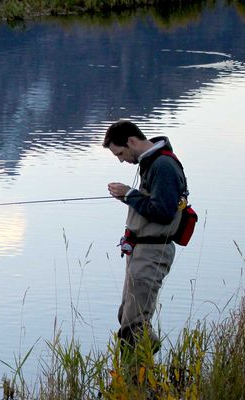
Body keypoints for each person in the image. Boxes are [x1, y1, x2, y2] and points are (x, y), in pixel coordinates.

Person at [103, 120, 187, 353]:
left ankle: (141, 381)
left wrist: (129, 194)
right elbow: (153, 203)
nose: (121, 160)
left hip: (153, 252)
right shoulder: (151, 162)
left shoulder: (163, 166)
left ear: (131, 141)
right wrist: (128, 196)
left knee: (135, 323)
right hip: (141, 251)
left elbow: (163, 211)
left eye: (120, 153)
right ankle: (141, 376)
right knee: (127, 316)